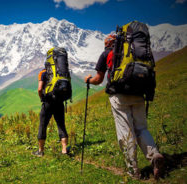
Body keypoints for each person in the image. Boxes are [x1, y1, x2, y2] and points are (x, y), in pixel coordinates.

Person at [84, 34, 164, 179]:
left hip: (119, 96)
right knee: (141, 129)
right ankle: (154, 155)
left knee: (126, 132)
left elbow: (99, 79)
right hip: (139, 94)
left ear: (108, 44)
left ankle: (133, 171)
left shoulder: (107, 53)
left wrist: (89, 80)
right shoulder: (134, 52)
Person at [32, 68, 69, 157]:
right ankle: (64, 150)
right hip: (59, 102)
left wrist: (42, 98)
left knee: (43, 125)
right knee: (61, 125)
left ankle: (40, 151)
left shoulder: (43, 72)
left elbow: (40, 89)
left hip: (48, 102)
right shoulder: (61, 71)